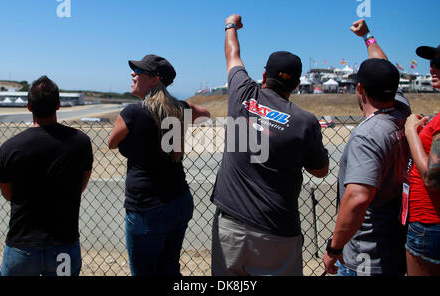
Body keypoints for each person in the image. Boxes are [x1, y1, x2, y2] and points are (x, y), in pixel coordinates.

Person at [210, 14, 329, 276]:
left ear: (264, 75)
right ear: (296, 84)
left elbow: (232, 54)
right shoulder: (304, 121)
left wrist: (231, 25)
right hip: (276, 230)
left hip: (230, 226)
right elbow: (320, 170)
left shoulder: (242, 92)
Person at [323, 19, 411, 276]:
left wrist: (334, 249)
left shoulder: (368, 135)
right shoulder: (400, 112)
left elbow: (358, 197)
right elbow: (384, 68)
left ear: (359, 89)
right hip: (392, 244)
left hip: (365, 255)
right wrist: (367, 36)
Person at [108, 54, 210, 276]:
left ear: (155, 79)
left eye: (139, 71)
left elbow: (111, 143)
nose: (133, 74)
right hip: (179, 200)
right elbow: (205, 114)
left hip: (146, 207)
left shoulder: (133, 112)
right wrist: (179, 105)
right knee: (169, 268)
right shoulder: (179, 109)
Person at [0, 76, 93, 276]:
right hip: (63, 246)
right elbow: (81, 185)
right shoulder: (80, 142)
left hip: (22, 245)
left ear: (29, 107)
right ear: (58, 105)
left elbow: (8, 194)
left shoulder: (10, 148)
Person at [403, 44, 440, 276]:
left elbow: (432, 177)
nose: (432, 68)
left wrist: (410, 133)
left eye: (439, 63)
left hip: (430, 223)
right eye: (433, 62)